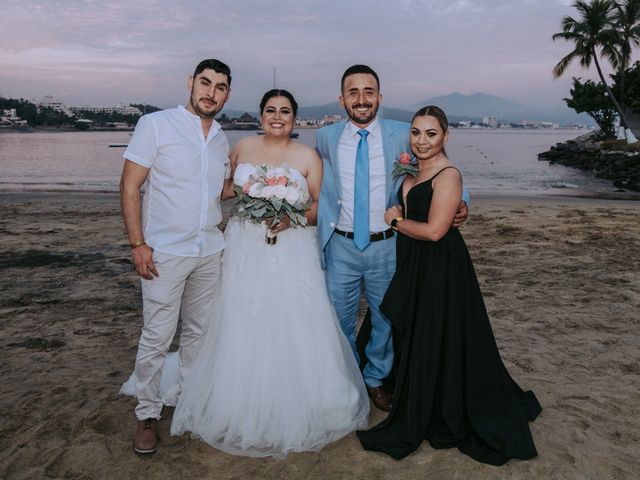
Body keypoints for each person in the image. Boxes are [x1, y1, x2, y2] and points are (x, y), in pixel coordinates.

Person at [170, 89, 370, 459]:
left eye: (285, 112)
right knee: (240, 315)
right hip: (245, 244)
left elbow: (321, 208)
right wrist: (243, 196)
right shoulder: (242, 146)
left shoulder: (308, 156)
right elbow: (223, 189)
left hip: (291, 248)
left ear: (295, 119)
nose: (277, 117)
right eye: (270, 111)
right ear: (261, 116)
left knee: (293, 316)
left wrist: (291, 218)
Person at [356, 106, 542, 465]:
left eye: (431, 133)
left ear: (446, 136)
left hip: (439, 263)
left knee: (436, 329)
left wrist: (395, 221)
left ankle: (439, 402)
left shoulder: (449, 174)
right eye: (416, 133)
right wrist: (400, 206)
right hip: (412, 260)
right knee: (419, 328)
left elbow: (435, 230)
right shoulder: (411, 166)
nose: (422, 141)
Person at [316, 65, 470, 412]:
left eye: (368, 91)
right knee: (337, 318)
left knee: (385, 317)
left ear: (380, 97)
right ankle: (346, 378)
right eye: (353, 92)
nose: (361, 99)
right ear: (341, 99)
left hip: (388, 243)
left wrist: (463, 203)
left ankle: (375, 380)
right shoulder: (325, 137)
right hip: (339, 243)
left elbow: (439, 165)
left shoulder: (403, 134)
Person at [119, 58, 233, 454]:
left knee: (199, 334)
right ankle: (147, 413)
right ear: (191, 82)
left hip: (209, 249)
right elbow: (131, 186)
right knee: (157, 334)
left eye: (220, 87)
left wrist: (267, 184)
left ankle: (191, 402)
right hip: (164, 251)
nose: (211, 93)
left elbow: (218, 192)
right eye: (205, 83)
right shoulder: (155, 125)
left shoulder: (221, 137)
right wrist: (138, 244)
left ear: (227, 94)